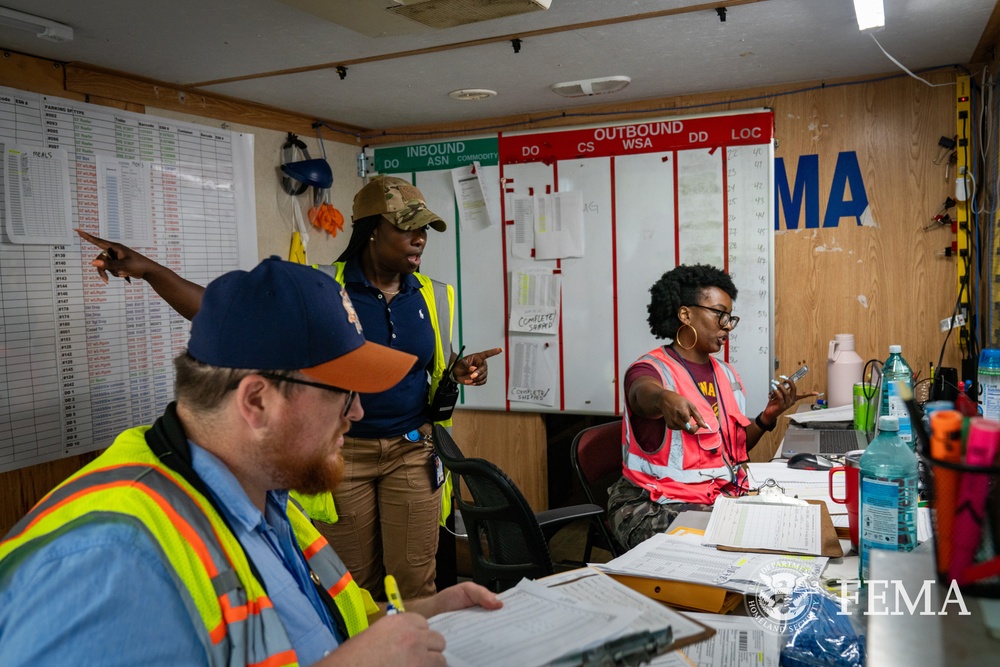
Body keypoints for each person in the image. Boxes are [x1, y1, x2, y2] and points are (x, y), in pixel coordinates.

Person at [0, 257, 501, 666]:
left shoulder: (268, 494)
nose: (358, 411)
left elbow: (316, 628)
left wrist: (421, 616)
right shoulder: (108, 557)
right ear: (257, 401)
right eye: (342, 392)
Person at [76, 175, 500, 601]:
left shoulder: (433, 294)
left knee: (414, 584)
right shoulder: (322, 289)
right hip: (342, 456)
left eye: (424, 229)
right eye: (408, 227)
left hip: (411, 449)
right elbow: (227, 314)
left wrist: (459, 371)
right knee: (351, 589)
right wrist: (150, 270)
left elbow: (426, 367)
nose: (420, 239)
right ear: (373, 229)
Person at [608, 264, 815, 550]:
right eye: (720, 314)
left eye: (730, 318)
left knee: (787, 521)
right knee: (746, 535)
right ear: (686, 314)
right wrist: (663, 399)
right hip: (651, 506)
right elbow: (641, 393)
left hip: (712, 498)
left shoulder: (726, 374)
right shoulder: (651, 369)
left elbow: (732, 452)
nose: (727, 325)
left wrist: (767, 417)